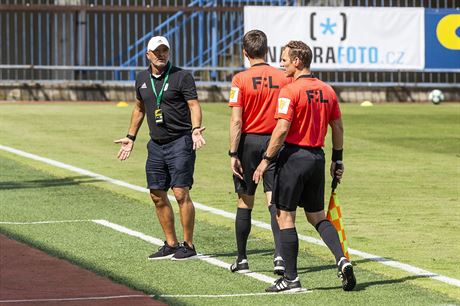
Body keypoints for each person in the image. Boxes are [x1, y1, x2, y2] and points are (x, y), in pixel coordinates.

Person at [253, 40, 356, 292]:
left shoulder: (290, 91)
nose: (281, 63)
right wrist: (337, 159)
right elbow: (338, 127)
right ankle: (342, 260)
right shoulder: (328, 90)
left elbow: (282, 129)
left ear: (297, 61)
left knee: (285, 216)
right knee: (318, 217)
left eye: (285, 59)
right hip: (317, 159)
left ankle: (290, 279)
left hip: (293, 158)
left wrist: (265, 160)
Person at [115, 35, 206, 261]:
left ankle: (189, 245)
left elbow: (193, 105)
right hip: (155, 145)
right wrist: (130, 137)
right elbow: (139, 109)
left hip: (180, 141)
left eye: (164, 51)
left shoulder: (182, 76)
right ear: (148, 55)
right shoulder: (141, 78)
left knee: (180, 192)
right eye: (157, 52)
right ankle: (171, 243)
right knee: (156, 193)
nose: (161, 55)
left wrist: (195, 129)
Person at [228, 30, 291, 275]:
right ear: (267, 51)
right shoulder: (283, 78)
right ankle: (280, 257)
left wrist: (233, 153)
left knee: (245, 200)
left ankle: (242, 258)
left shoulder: (240, 80)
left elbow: (236, 121)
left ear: (245, 53)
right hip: (275, 142)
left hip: (248, 143)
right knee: (274, 201)